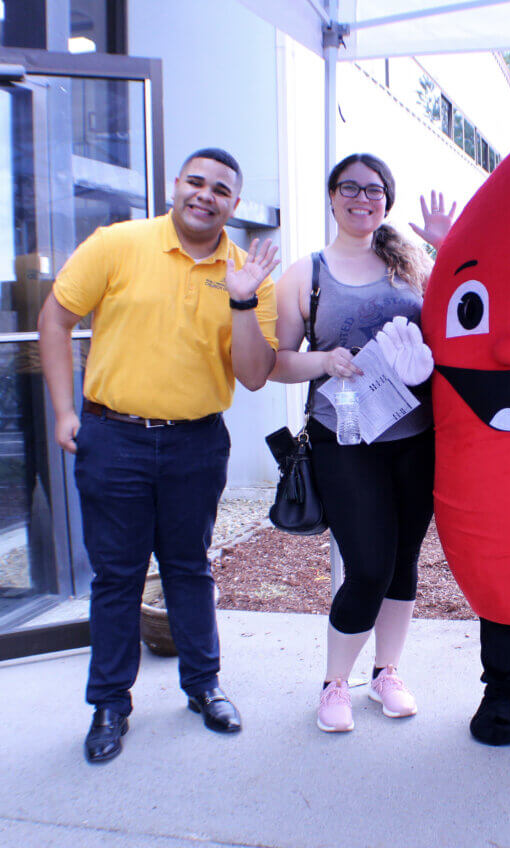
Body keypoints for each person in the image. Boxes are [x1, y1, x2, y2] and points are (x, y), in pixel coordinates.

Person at [37, 147, 280, 764]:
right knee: (117, 577)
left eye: (220, 189)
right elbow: (55, 319)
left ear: (234, 203)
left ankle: (204, 686)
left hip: (196, 442)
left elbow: (254, 375)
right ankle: (110, 703)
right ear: (176, 185)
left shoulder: (246, 271)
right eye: (195, 182)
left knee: (189, 567)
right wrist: (65, 411)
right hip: (113, 437)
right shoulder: (118, 244)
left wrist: (244, 299)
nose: (205, 195)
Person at [269, 153, 453, 733]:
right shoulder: (307, 274)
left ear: (386, 202)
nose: (361, 198)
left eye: (374, 190)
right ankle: (334, 684)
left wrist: (445, 248)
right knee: (368, 563)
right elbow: (276, 363)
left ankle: (387, 673)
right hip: (344, 438)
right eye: (349, 188)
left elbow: (456, 322)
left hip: (414, 435)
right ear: (331, 196)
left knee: (402, 561)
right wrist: (324, 360)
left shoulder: (412, 266)